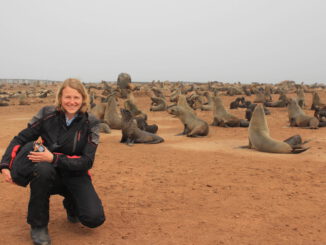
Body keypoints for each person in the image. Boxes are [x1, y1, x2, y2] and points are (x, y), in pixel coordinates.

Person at [0, 78, 105, 245]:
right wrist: (5, 165)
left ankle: (72, 205)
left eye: (76, 97)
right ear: (60, 98)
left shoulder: (91, 122)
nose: (72, 102)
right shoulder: (46, 114)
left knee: (94, 219)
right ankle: (38, 226)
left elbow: (86, 161)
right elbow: (21, 138)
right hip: (49, 172)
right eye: (67, 97)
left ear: (83, 99)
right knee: (41, 169)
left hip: (75, 173)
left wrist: (54, 158)